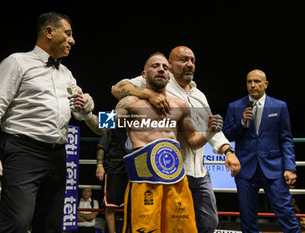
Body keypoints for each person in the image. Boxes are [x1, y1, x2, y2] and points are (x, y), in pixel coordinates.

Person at [0, 12, 101, 233]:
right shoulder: (17, 62)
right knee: (17, 222)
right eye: (68, 33)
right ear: (49, 32)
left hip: (58, 154)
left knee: (52, 224)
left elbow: (79, 113)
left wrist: (84, 107)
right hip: (23, 150)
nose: (73, 41)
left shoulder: (67, 74)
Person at [88, 52, 223, 232]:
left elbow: (192, 141)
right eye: (155, 66)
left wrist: (209, 132)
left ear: (169, 76)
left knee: (181, 229)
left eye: (165, 67)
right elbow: (101, 127)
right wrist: (85, 114)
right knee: (144, 229)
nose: (161, 69)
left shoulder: (180, 105)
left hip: (176, 181)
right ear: (143, 75)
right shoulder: (130, 103)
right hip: (144, 179)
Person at [222, 69, 301, 233]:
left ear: (265, 84)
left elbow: (286, 139)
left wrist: (290, 167)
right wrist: (242, 123)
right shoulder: (235, 106)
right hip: (245, 169)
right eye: (249, 81)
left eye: (257, 81)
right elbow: (227, 135)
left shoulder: (279, 106)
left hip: (274, 168)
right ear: (246, 84)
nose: (253, 85)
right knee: (247, 217)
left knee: (286, 213)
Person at [95, 127, 131, 233]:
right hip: (113, 169)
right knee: (110, 206)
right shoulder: (111, 126)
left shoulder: (134, 125)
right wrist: (99, 165)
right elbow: (101, 146)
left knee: (130, 206)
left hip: (129, 169)